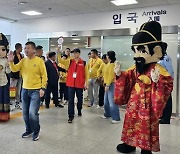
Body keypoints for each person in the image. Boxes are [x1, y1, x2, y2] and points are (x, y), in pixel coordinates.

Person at [114, 21, 173, 154]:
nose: (137, 55)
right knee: (131, 123)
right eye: (136, 51)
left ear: (156, 50)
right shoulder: (135, 67)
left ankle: (146, 148)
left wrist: (157, 82)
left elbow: (167, 83)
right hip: (134, 103)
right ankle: (129, 144)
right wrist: (119, 75)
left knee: (146, 125)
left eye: (142, 51)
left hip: (148, 104)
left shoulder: (159, 69)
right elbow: (127, 76)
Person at [8, 41, 47, 141]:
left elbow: (44, 75)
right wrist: (11, 61)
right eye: (25, 48)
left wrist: (43, 88)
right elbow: (14, 69)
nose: (26, 50)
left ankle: (36, 131)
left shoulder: (39, 61)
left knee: (32, 113)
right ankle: (28, 129)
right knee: (25, 113)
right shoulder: (24, 61)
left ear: (34, 50)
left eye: (28, 48)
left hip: (36, 91)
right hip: (25, 90)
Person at [66, 48, 87, 123]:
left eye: (75, 53)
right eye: (73, 53)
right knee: (71, 100)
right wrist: (59, 52)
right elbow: (61, 61)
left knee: (80, 99)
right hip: (71, 84)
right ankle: (70, 116)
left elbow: (86, 74)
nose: (74, 55)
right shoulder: (70, 61)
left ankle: (79, 109)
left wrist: (86, 83)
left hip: (79, 84)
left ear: (79, 53)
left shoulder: (83, 62)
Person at [101, 51, 120, 123]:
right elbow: (106, 73)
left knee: (112, 102)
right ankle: (107, 114)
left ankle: (116, 118)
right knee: (106, 101)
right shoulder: (108, 64)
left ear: (108, 56)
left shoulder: (112, 65)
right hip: (106, 84)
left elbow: (111, 76)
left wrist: (108, 85)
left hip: (111, 85)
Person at [159, 52, 174, 124]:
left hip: (166, 82)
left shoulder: (166, 58)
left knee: (168, 100)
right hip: (161, 82)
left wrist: (169, 81)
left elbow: (170, 70)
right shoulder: (160, 57)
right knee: (163, 99)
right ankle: (163, 116)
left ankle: (166, 118)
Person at [0, 33, 11, 122]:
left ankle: (5, 115)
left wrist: (8, 65)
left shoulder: (6, 60)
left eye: (2, 49)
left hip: (4, 81)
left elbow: (8, 72)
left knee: (4, 97)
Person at [10, 43, 23, 110]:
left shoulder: (21, 55)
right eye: (21, 47)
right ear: (18, 48)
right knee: (12, 89)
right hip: (14, 75)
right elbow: (11, 65)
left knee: (18, 89)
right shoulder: (13, 55)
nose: (22, 48)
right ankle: (11, 103)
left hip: (20, 75)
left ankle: (17, 103)